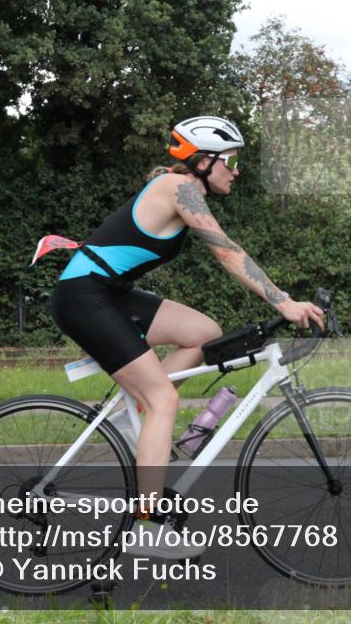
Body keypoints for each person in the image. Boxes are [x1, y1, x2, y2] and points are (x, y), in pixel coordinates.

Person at [49, 116, 324, 557]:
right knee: (166, 401)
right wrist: (283, 302)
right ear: (203, 160)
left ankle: (134, 413)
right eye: (230, 161)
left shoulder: (181, 188)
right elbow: (227, 251)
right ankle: (146, 524)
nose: (236, 171)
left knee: (203, 333)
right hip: (85, 297)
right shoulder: (180, 190)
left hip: (108, 293)